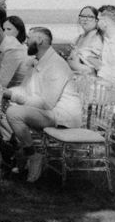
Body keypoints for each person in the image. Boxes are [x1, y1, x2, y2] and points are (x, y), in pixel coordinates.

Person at [5, 26, 81, 182]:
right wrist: (5, 93)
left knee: (14, 113)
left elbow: (46, 103)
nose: (25, 41)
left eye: (28, 38)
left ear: (39, 40)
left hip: (62, 115)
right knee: (8, 108)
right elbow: (25, 89)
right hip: (48, 112)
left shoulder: (56, 65)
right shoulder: (37, 61)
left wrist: (12, 96)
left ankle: (32, 155)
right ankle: (20, 154)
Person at [66, 5, 103, 72]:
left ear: (96, 20)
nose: (86, 19)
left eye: (90, 17)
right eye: (83, 16)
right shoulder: (78, 38)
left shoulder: (98, 39)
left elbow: (99, 67)